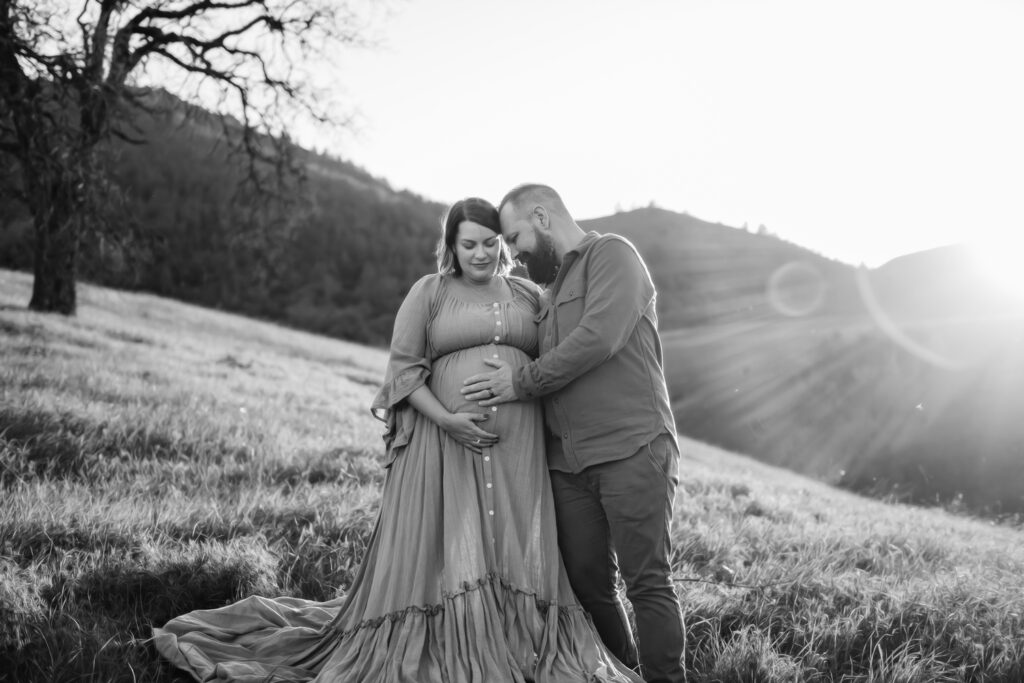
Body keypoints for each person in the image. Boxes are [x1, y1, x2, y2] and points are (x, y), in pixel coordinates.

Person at [153, 197, 641, 682]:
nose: (481, 253)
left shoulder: (527, 295)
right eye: (468, 243)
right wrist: (448, 419)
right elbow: (404, 374)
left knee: (510, 548)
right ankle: (458, 634)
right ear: (451, 245)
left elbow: (560, 353)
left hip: (520, 455)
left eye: (492, 243)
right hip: (443, 444)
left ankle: (516, 637)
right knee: (452, 547)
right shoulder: (429, 292)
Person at [462, 184, 687, 683]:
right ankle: (623, 673)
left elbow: (597, 339)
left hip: (632, 448)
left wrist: (519, 382)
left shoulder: (613, 255)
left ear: (541, 216)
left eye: (515, 237)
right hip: (568, 465)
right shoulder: (547, 293)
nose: (513, 255)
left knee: (647, 582)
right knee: (588, 584)